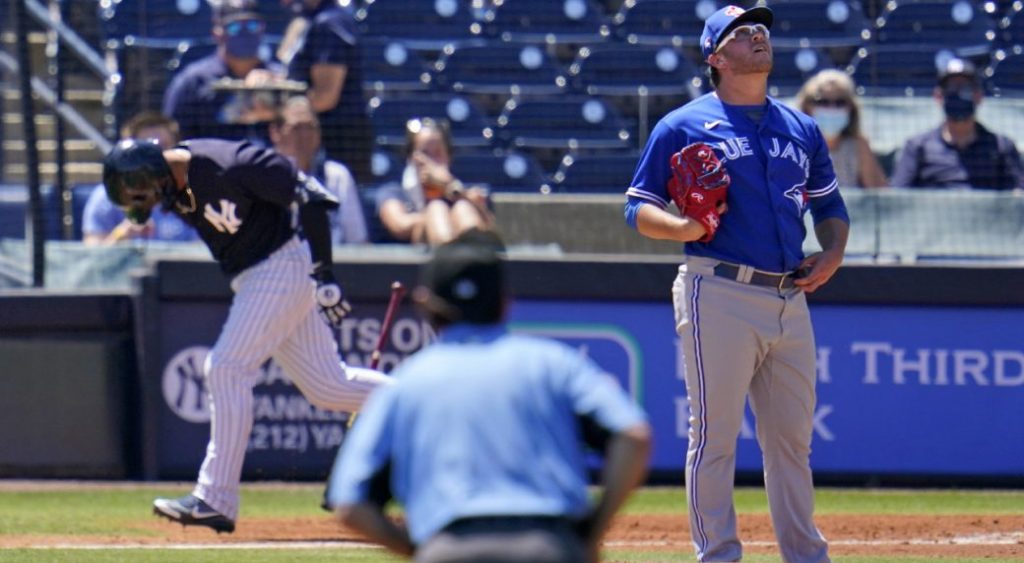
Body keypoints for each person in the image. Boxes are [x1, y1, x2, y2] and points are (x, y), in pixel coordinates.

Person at [624, 5, 849, 562]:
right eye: (742, 33)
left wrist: (834, 252)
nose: (757, 37)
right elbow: (637, 208)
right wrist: (682, 226)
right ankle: (718, 555)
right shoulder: (682, 124)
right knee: (715, 438)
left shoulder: (800, 127)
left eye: (762, 30)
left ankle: (805, 556)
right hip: (718, 289)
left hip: (790, 295)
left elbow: (830, 207)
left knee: (792, 444)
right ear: (715, 56)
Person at [101, 137, 391, 533]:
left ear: (157, 176)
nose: (151, 204)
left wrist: (325, 272)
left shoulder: (230, 162)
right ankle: (425, 401)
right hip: (256, 274)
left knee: (225, 368)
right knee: (328, 386)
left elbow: (312, 195)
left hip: (281, 264)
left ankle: (215, 498)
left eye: (147, 195)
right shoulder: (173, 184)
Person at [326, 229, 652, 562]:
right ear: (505, 301)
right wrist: (591, 533)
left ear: (425, 304)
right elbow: (633, 436)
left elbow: (349, 504)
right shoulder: (553, 364)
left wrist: (418, 550)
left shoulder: (407, 383)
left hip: (449, 546)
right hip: (548, 546)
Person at [890, 57, 1024, 190]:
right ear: (939, 96)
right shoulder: (918, 148)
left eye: (965, 88)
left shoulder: (1001, 148)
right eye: (951, 88)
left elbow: (1018, 198)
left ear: (978, 96)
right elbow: (896, 199)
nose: (958, 93)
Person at [276, 0, 373, 184]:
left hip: (339, 142)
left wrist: (273, 112)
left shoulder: (329, 23)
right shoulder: (308, 20)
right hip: (327, 138)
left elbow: (325, 97)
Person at [163, 0, 283, 143]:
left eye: (252, 26)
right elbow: (173, 134)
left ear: (263, 29)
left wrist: (277, 111)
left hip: (272, 162)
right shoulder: (193, 81)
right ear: (217, 33)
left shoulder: (279, 78)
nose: (245, 34)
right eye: (234, 27)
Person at [82, 112, 198, 245]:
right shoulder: (106, 196)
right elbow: (91, 257)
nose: (157, 155)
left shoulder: (194, 195)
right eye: (148, 148)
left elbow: (207, 252)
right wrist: (122, 235)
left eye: (164, 146)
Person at [376, 118, 494, 246]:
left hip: (474, 254)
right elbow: (400, 225)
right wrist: (439, 216)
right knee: (437, 208)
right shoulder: (393, 192)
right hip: (415, 261)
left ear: (449, 156)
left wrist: (449, 185)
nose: (431, 161)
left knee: (463, 209)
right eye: (424, 153)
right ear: (410, 157)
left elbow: (490, 227)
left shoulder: (462, 193)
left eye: (437, 153)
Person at [269, 95, 369, 244]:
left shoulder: (337, 176)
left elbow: (358, 242)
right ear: (275, 132)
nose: (305, 135)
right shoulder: (258, 176)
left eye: (310, 127)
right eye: (297, 128)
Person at [795, 69, 888, 189]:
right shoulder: (792, 147)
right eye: (823, 102)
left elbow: (879, 194)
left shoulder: (859, 145)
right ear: (807, 106)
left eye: (840, 102)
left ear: (851, 108)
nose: (831, 108)